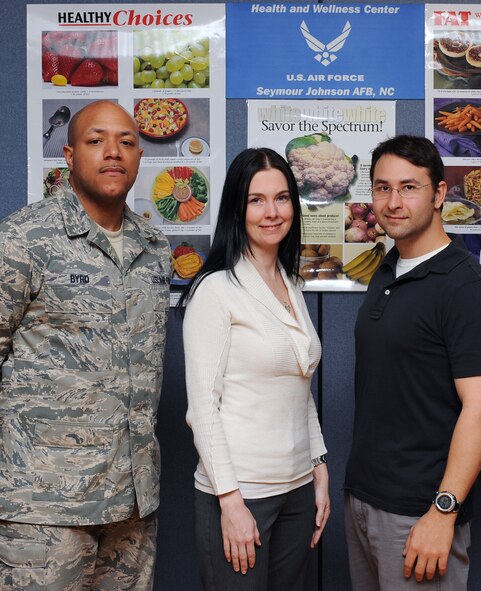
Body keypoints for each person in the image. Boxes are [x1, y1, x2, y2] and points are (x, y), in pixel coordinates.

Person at [0, 100, 171, 590]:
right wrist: (21, 437)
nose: (113, 151)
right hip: (41, 505)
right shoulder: (19, 240)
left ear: (139, 157)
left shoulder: (153, 248)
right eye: (96, 140)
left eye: (126, 142)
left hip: (130, 503)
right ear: (68, 155)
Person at [343, 135, 481, 590]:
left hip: (421, 512)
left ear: (439, 195)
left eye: (409, 187)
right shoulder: (387, 269)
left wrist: (443, 511)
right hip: (364, 498)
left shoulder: (466, 287)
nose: (393, 202)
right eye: (383, 188)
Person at [182, 148, 330, 590]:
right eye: (256, 200)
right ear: (237, 209)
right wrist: (230, 502)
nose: (272, 212)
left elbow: (300, 387)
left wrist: (318, 466)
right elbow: (202, 410)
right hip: (241, 493)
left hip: (298, 491)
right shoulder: (216, 290)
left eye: (282, 198)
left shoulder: (290, 283)